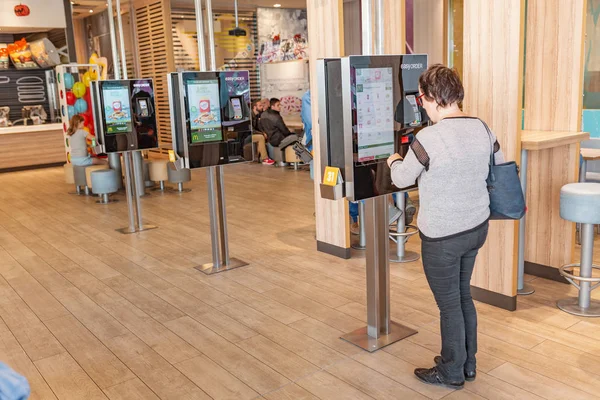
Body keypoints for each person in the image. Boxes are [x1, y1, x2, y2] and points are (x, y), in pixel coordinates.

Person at [387, 64, 504, 390]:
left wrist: (393, 160)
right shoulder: (482, 127)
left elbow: (401, 179)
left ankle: (451, 371)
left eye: (422, 98)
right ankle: (468, 365)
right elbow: (499, 164)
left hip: (443, 237)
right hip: (476, 227)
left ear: (432, 98)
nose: (420, 103)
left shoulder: (429, 137)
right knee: (462, 296)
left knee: (449, 305)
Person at [250, 100, 275, 165]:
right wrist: (262, 133)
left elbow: (259, 127)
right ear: (255, 107)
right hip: (246, 136)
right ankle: (264, 158)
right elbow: (251, 130)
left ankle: (257, 158)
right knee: (260, 137)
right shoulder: (249, 115)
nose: (262, 107)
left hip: (252, 134)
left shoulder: (257, 115)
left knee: (265, 135)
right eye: (260, 106)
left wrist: (264, 132)